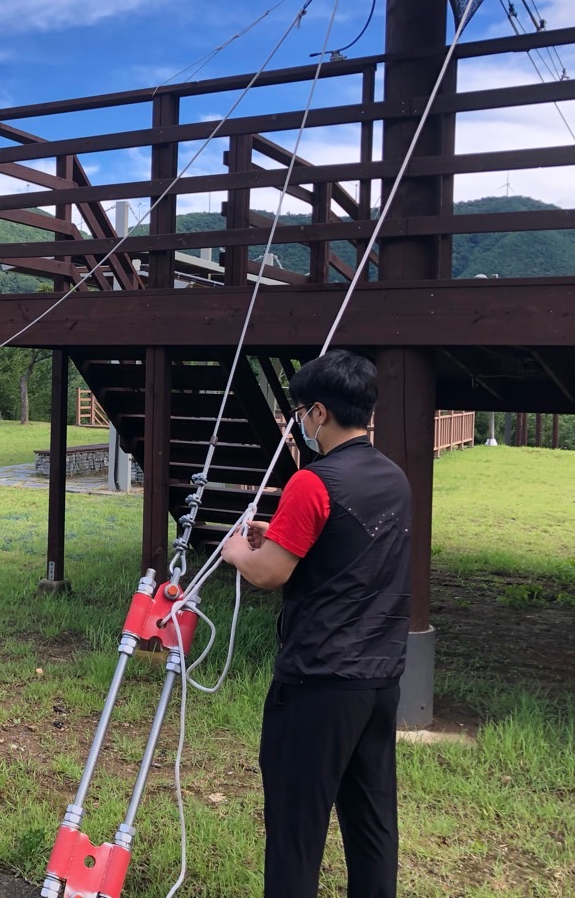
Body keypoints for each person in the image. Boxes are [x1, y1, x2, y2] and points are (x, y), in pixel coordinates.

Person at [220, 350, 412, 898]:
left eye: (301, 412)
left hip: (317, 683)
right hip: (378, 681)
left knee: (295, 832)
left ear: (320, 413)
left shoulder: (312, 482)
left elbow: (269, 572)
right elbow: (343, 545)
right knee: (371, 823)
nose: (298, 423)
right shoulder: (394, 478)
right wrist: (279, 529)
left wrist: (237, 550)